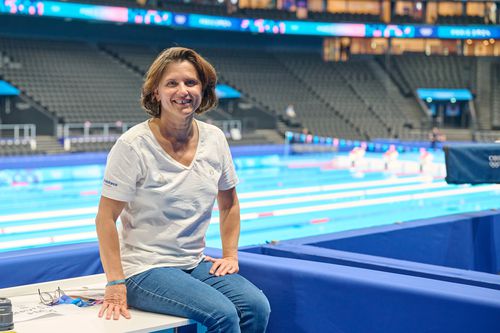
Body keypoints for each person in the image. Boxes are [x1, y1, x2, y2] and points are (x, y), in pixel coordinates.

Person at [95, 47, 270, 332]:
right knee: (223, 314)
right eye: (172, 83)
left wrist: (230, 255)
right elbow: (105, 218)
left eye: (191, 82)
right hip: (143, 269)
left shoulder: (214, 139)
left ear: (203, 90)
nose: (183, 91)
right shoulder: (133, 146)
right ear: (156, 93)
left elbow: (229, 204)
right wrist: (115, 282)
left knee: (256, 306)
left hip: (193, 261)